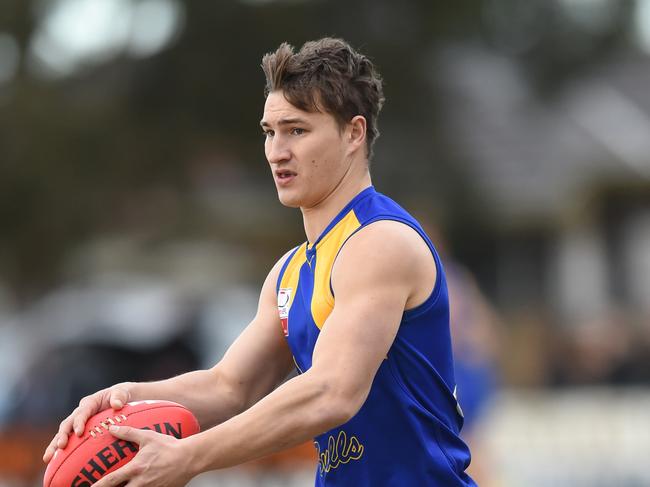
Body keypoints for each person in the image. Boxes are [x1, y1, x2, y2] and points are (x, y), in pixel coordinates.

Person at [42, 38, 476, 487]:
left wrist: (189, 456)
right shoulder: (290, 271)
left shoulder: (379, 243)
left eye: (297, 130)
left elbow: (331, 393)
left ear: (353, 133)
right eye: (270, 131)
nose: (276, 151)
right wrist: (125, 400)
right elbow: (230, 387)